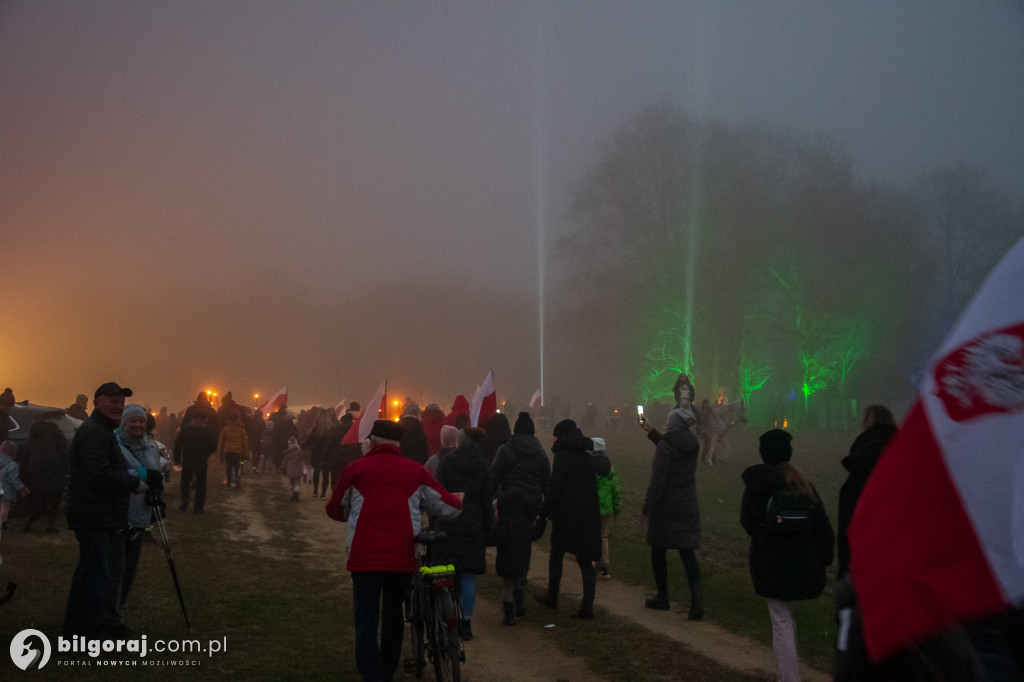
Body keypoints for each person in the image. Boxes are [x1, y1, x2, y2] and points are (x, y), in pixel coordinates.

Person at [326, 420, 463, 682]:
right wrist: (459, 501)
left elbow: (334, 509)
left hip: (364, 556)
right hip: (400, 556)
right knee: (394, 615)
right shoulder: (415, 472)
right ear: (398, 445)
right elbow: (447, 505)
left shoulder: (355, 469)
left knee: (365, 618)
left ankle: (371, 673)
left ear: (373, 442)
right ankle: (387, 670)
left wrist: (353, 513)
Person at [740, 429, 834, 682]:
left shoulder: (757, 486)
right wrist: (824, 558)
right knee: (788, 618)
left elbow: (747, 522)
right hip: (805, 563)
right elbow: (823, 527)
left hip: (771, 564)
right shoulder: (803, 485)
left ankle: (789, 677)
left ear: (763, 454)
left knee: (781, 619)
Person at [63, 382, 149, 638]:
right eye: (112, 401)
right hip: (93, 515)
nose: (118, 406)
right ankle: (86, 631)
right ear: (97, 402)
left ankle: (94, 625)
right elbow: (98, 474)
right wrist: (134, 482)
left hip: (104, 514)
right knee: (93, 575)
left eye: (121, 403)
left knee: (100, 572)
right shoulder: (94, 433)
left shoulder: (103, 431)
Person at [535, 418, 609, 620]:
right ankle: (587, 606)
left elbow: (555, 489)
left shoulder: (563, 457)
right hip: (588, 514)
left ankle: (552, 595)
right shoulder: (586, 455)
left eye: (554, 436)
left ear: (560, 436)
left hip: (566, 516)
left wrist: (542, 511)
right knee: (586, 561)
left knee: (556, 553)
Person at [639, 407, 704, 618]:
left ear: (673, 423)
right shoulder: (692, 444)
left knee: (658, 550)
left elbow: (658, 480)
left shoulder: (666, 447)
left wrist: (647, 508)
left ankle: (662, 596)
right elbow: (671, 447)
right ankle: (697, 600)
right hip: (687, 504)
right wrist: (651, 431)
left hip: (666, 507)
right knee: (687, 553)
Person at [432, 426, 493, 641]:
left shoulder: (447, 463)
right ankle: (466, 622)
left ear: (459, 442)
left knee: (447, 570)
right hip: (473, 521)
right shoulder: (484, 466)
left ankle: (447, 617)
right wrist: (487, 528)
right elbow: (487, 502)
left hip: (450, 517)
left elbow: (437, 493)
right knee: (468, 575)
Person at [490, 412, 550, 616]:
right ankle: (520, 585)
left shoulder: (505, 450)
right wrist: (544, 512)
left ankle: (510, 595)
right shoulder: (540, 454)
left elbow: (494, 477)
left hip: (508, 505)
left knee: (507, 546)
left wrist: (489, 502)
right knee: (524, 546)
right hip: (530, 507)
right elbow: (547, 485)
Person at [115, 404, 164, 611]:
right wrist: (143, 475)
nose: (137, 425)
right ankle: (111, 609)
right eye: (132, 421)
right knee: (117, 564)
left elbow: (155, 474)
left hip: (142, 512)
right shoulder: (115, 445)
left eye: (141, 421)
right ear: (124, 422)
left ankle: (119, 605)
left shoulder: (150, 445)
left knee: (132, 565)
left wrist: (158, 498)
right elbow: (114, 476)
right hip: (120, 513)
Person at [489, 488, 532, 626]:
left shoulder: (503, 523)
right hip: (522, 559)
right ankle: (519, 605)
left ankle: (509, 615)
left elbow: (497, 538)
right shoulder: (525, 521)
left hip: (506, 559)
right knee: (518, 581)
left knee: (507, 586)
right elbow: (533, 535)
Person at [22, 413, 68, 532]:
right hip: (53, 466)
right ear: (55, 420)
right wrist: (67, 469)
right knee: (55, 495)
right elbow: (64, 451)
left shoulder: (34, 433)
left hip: (35, 467)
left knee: (40, 495)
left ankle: (29, 523)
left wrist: (25, 471)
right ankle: (50, 525)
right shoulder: (56, 432)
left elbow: (27, 452)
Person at [174, 416, 217, 514]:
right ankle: (198, 507)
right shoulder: (207, 431)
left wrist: (177, 458)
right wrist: (206, 454)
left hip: (187, 459)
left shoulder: (186, 430)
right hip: (201, 460)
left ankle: (185, 497)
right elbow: (213, 446)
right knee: (201, 484)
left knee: (185, 480)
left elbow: (178, 444)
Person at [593, 437, 622, 581]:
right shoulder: (609, 468)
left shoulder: (588, 466)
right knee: (603, 537)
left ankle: (591, 563)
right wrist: (617, 508)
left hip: (592, 507)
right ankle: (604, 567)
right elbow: (615, 489)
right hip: (607, 507)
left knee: (592, 535)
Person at [0, 440, 29, 530]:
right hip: (6, 490)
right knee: (5, 507)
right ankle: (3, 524)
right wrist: (22, 488)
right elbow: (13, 479)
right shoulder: (13, 465)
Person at [217, 411, 249, 488]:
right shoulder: (241, 429)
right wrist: (245, 453)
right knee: (237, 466)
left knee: (228, 466)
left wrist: (220, 453)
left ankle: (228, 482)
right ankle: (237, 478)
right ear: (238, 419)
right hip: (238, 451)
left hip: (228, 450)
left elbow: (221, 442)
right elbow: (244, 442)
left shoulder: (226, 428)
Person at [281, 435, 304, 502]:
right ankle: (296, 492)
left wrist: (283, 468)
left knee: (292, 483)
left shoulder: (287, 452)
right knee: (297, 483)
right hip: (298, 470)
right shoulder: (299, 450)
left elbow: (285, 462)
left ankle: (292, 495)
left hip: (290, 470)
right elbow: (302, 457)